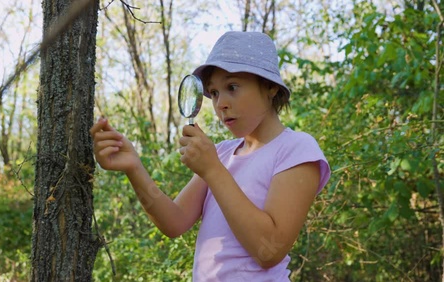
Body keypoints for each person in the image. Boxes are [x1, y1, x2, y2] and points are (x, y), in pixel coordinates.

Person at [90, 31, 330, 281]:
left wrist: (213, 170)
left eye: (232, 87)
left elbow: (268, 251)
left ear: (270, 87)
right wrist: (133, 167)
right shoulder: (224, 152)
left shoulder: (296, 149)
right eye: (214, 93)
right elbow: (174, 222)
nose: (220, 103)